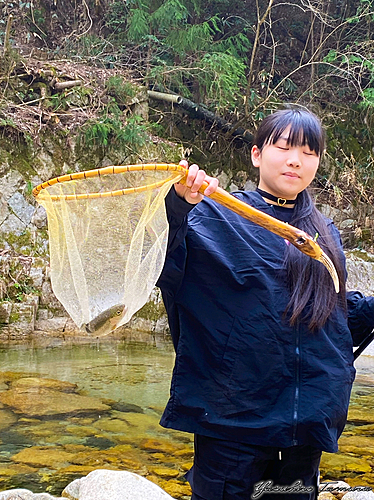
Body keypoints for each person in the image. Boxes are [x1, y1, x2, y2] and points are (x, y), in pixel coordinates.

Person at [156, 107, 374, 500]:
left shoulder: (323, 233)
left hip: (303, 428)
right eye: (285, 147)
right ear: (257, 154)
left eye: (309, 152)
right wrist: (177, 206)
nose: (296, 160)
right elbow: (162, 263)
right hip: (232, 422)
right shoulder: (215, 215)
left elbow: (333, 317)